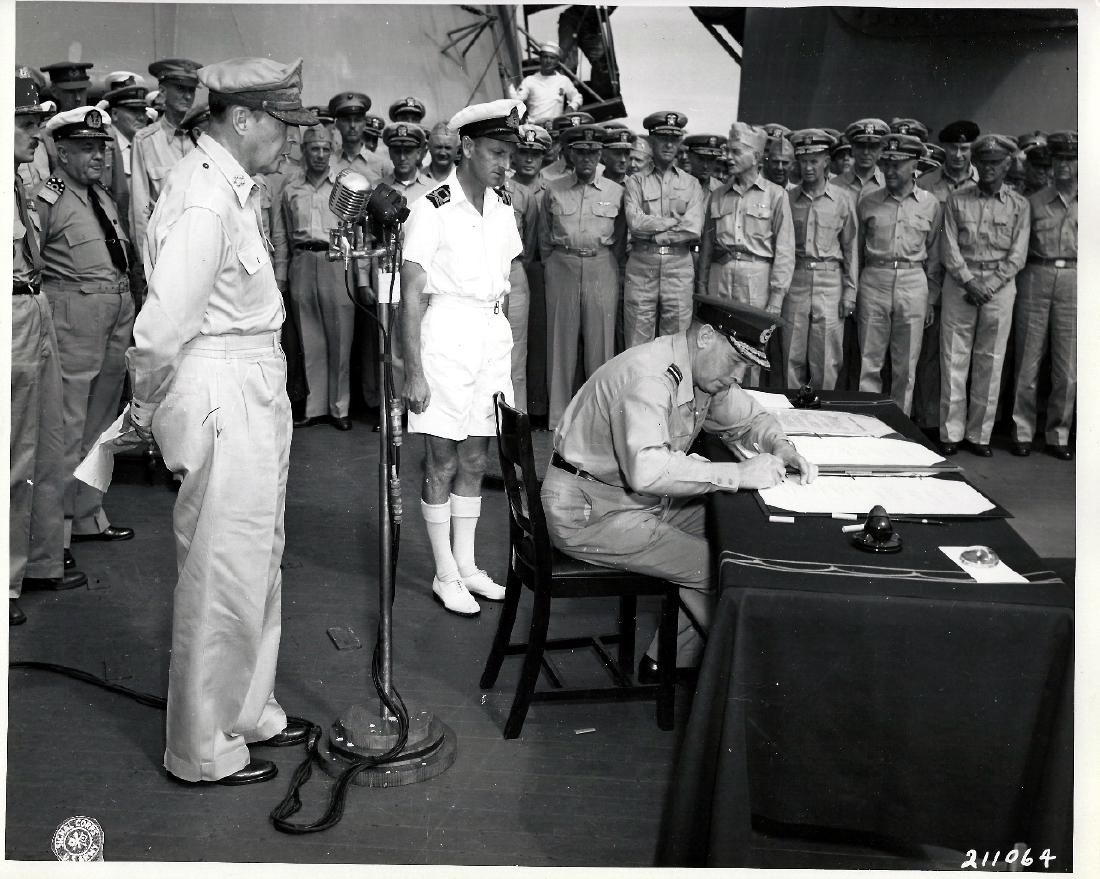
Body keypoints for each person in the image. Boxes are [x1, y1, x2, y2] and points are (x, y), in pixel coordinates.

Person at [125, 56, 318, 786]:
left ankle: (247, 708)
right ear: (242, 119)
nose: (289, 140)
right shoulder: (207, 196)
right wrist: (144, 408)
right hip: (221, 382)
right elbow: (161, 326)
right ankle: (202, 746)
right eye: (281, 123)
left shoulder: (229, 185)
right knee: (219, 567)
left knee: (257, 559)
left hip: (249, 378)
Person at [541, 296, 817, 680]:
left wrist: (782, 447)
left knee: (736, 536)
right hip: (588, 512)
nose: (739, 376)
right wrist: (739, 474)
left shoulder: (700, 373)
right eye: (737, 361)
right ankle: (747, 673)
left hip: (626, 500)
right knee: (721, 565)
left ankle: (666, 660)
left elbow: (751, 417)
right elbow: (648, 470)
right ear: (706, 337)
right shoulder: (651, 377)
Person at [401, 99, 524, 617]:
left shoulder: (501, 207)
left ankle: (468, 566)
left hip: (489, 335)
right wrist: (413, 369)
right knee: (441, 461)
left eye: (509, 154)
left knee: (476, 458)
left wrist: (509, 354)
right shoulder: (432, 205)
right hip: (445, 335)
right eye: (496, 152)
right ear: (467, 148)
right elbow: (410, 290)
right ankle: (444, 573)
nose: (504, 163)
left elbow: (511, 280)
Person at [36, 106, 136, 550]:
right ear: (60, 152)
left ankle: (88, 516)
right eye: (85, 148)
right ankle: (53, 535)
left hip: (115, 312)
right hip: (75, 316)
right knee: (68, 424)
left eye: (101, 148)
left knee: (102, 425)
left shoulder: (104, 198)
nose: (98, 156)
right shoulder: (48, 198)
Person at [11, 71, 89, 626]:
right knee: (13, 453)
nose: (35, 133)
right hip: (10, 312)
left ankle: (37, 563)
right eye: (24, 122)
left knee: (49, 438)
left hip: (33, 305)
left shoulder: (19, 178)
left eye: (38, 122)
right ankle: (6, 580)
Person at [938, 134, 1029, 457]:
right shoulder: (957, 199)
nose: (989, 169)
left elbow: (1018, 254)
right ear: (975, 164)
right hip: (961, 284)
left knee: (990, 361)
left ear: (1007, 165)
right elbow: (948, 247)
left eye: (996, 163)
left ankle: (979, 435)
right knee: (954, 359)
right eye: (984, 162)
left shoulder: (1020, 204)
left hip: (999, 287)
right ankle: (951, 433)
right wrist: (969, 281)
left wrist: (989, 284)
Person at [539, 123, 626, 428]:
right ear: (569, 155)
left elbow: (621, 238)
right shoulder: (554, 189)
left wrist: (605, 265)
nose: (587, 158)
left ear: (601, 153)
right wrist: (556, 264)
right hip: (562, 265)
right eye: (580, 152)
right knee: (559, 343)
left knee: (600, 345)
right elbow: (544, 238)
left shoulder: (617, 192)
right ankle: (558, 417)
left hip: (602, 266)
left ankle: (596, 417)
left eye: (593, 152)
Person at [695, 122, 794, 387]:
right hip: (720, 277)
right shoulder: (717, 195)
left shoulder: (776, 196)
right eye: (728, 151)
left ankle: (746, 411)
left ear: (757, 157)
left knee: (750, 352)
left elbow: (785, 251)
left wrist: (776, 298)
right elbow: (706, 246)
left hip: (756, 279)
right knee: (716, 347)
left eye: (736, 151)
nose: (728, 157)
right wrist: (703, 289)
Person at [272, 124, 355, 431]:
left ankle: (340, 408)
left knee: (341, 338)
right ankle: (315, 406)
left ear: (332, 152)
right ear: (304, 152)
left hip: (336, 260)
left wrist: (360, 280)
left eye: (325, 149)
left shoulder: (347, 185)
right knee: (310, 340)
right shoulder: (291, 188)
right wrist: (281, 277)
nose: (320, 155)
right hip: (302, 262)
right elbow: (280, 236)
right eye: (313, 149)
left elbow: (360, 233)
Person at [855, 133, 942, 415]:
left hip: (913, 281)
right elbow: (856, 251)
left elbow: (935, 254)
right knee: (870, 360)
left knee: (906, 364)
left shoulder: (930, 204)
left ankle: (898, 425)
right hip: (874, 279)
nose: (889, 171)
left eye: (897, 164)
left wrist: (930, 298)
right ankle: (868, 421)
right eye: (886, 164)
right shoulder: (868, 201)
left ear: (914, 164)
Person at [1010, 130, 1076, 460]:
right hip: (1036, 274)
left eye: (1070, 159)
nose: (1063, 165)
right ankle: (1023, 430)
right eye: (1059, 158)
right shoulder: (1033, 202)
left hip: (1074, 279)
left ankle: (1058, 434)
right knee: (1028, 360)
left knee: (1067, 366)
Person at [911, 120, 980, 433]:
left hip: (968, 281)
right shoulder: (927, 184)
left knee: (965, 357)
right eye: (953, 147)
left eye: (965, 148)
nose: (958, 154)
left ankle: (958, 426)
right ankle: (927, 421)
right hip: (931, 276)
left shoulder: (982, 184)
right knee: (929, 355)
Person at [783, 128, 858, 390]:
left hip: (830, 281)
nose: (808, 167)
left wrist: (850, 293)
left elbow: (850, 249)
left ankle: (822, 414)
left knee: (826, 356)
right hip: (797, 278)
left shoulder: (843, 200)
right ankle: (791, 418)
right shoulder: (788, 199)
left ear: (827, 161)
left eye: (814, 161)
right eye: (803, 161)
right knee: (791, 352)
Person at [623, 111, 705, 348]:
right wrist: (670, 222)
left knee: (676, 342)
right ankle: (640, 386)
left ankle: (672, 387)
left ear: (680, 142)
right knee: (637, 341)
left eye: (674, 138)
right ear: (651, 141)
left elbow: (693, 229)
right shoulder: (635, 181)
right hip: (642, 266)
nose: (668, 144)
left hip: (678, 268)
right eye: (662, 138)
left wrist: (653, 228)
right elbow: (635, 224)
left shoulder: (691, 184)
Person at [129, 58, 202, 259]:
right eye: (180, 88)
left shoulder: (205, 140)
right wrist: (148, 265)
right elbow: (140, 208)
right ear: (162, 92)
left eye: (191, 90)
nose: (187, 96)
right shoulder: (146, 141)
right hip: (165, 252)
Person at [513, 123, 552, 421]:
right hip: (521, 268)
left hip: (544, 268)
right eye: (523, 152)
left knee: (539, 342)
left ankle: (537, 407)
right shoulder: (504, 187)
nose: (528, 159)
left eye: (535, 154)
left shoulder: (552, 188)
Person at [100, 83, 149, 227]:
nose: (141, 117)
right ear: (114, 114)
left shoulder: (143, 146)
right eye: (134, 111)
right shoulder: (105, 147)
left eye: (143, 111)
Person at [508, 42, 581, 126]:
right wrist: (508, 81)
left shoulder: (563, 80)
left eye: (552, 58)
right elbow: (516, 100)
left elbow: (577, 98)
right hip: (534, 128)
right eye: (545, 57)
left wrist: (571, 108)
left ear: (557, 61)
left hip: (556, 126)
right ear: (540, 59)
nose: (548, 61)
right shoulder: (529, 80)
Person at [328, 91, 390, 184]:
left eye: (357, 120)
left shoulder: (382, 165)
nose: (352, 125)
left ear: (364, 124)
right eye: (346, 120)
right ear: (337, 124)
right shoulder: (328, 163)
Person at [835, 118, 888, 198]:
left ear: (881, 151)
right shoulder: (834, 185)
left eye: (872, 147)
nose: (866, 152)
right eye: (861, 146)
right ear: (852, 149)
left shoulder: (889, 185)